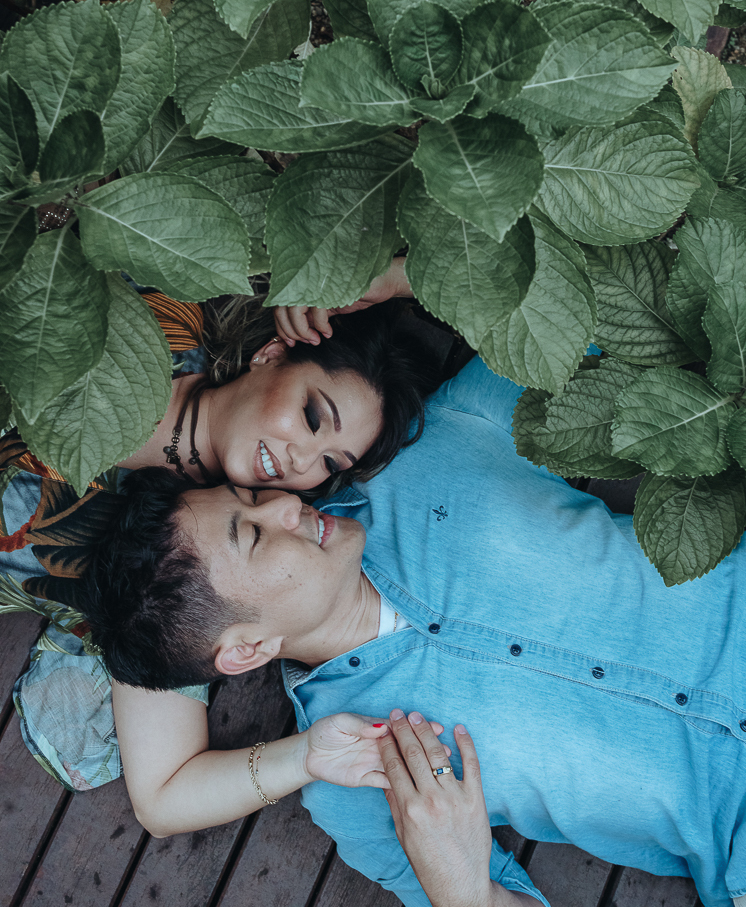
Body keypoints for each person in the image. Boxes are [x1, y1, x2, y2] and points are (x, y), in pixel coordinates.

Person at [81, 355, 746, 907]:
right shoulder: (356, 788)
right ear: (247, 649)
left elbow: (571, 313)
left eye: (253, 497)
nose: (287, 508)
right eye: (254, 536)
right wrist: (464, 890)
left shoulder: (430, 447)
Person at [3, 258, 444, 789]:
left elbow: (138, 778)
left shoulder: (182, 566)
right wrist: (396, 276)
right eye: (310, 416)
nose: (302, 463)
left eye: (330, 463)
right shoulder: (167, 314)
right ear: (270, 354)